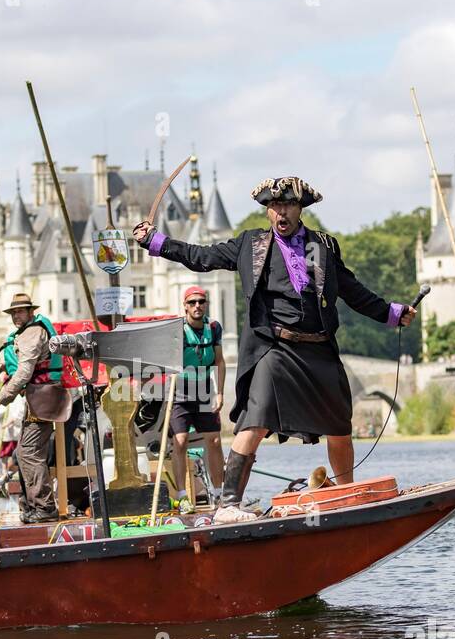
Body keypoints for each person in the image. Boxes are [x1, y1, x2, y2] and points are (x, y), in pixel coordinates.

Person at [132, 176, 414, 510]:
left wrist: (392, 313)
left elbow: (353, 290)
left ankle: (345, 496)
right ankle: (229, 506)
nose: (281, 212)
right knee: (254, 422)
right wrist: (157, 242)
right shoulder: (250, 245)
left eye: (288, 205)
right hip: (274, 349)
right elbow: (201, 256)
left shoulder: (323, 247)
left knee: (339, 428)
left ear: (300, 209)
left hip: (319, 348)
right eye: (274, 206)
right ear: (267, 211)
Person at [0, 293, 72, 524]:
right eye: (13, 313)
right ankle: (32, 505)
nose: (15, 316)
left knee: (29, 453)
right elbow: (23, 360)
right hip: (37, 398)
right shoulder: (27, 332)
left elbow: (24, 372)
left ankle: (44, 507)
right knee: (23, 453)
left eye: (20, 311)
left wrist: (0, 399)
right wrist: (4, 363)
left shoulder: (33, 332)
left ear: (31, 312)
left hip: (43, 398)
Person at [169, 286, 227, 505]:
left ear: (206, 304)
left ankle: (220, 494)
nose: (197, 306)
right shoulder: (176, 328)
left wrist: (220, 393)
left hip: (204, 389)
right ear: (185, 305)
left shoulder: (214, 327)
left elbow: (220, 361)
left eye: (201, 302)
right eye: (192, 302)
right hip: (180, 390)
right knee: (181, 441)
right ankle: (183, 497)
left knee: (213, 440)